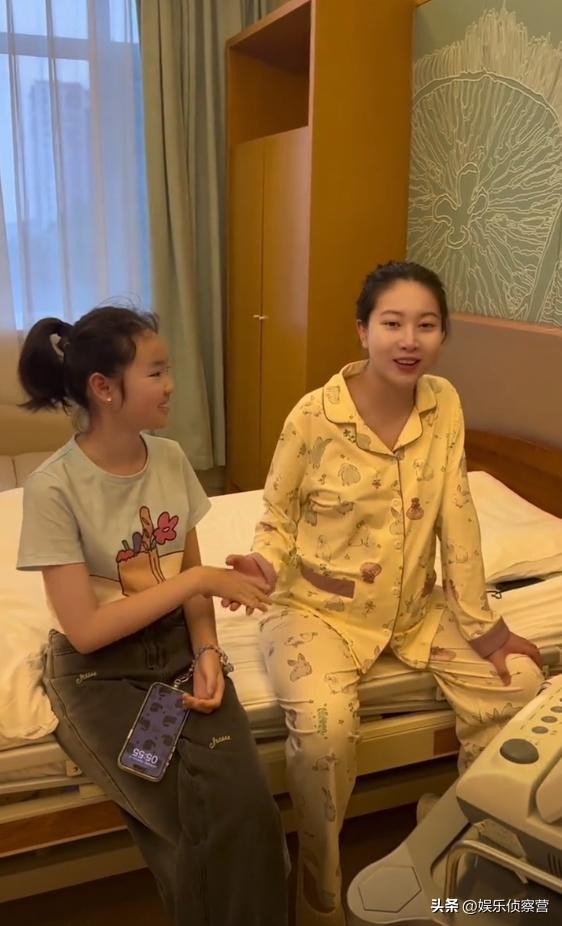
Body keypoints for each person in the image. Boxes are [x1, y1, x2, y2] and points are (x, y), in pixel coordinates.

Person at [223, 261, 544, 926]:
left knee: (519, 682)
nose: (409, 339)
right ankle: (319, 898)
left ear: (443, 335)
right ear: (363, 331)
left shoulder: (444, 404)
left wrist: (485, 629)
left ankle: (454, 826)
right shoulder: (313, 416)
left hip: (415, 611)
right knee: (325, 734)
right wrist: (260, 565)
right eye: (392, 323)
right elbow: (276, 515)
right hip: (315, 613)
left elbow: (458, 514)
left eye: (426, 325)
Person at [16, 306, 288, 926]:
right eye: (156, 372)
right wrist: (200, 579)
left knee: (248, 811)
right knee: (190, 819)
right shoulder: (54, 488)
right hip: (104, 675)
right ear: (104, 388)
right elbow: (86, 629)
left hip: (176, 657)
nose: (171, 385)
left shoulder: (169, 460)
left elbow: (188, 579)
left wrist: (207, 650)